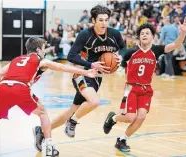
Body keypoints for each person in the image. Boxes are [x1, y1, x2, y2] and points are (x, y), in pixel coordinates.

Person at [33, 5, 126, 152]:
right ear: (93, 20)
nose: (104, 23)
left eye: (106, 20)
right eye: (100, 20)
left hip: (96, 77)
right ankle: (73, 121)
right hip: (82, 73)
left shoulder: (114, 34)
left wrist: (120, 57)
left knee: (72, 110)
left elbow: (123, 48)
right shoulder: (85, 35)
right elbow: (71, 56)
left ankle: (42, 131)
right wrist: (91, 64)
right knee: (94, 101)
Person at [0, 37, 98, 156]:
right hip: (21, 88)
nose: (45, 52)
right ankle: (49, 149)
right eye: (44, 49)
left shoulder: (16, 59)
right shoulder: (40, 60)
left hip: (3, 87)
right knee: (43, 113)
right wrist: (85, 72)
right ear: (38, 49)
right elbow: (63, 67)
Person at [103, 17, 186, 152]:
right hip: (131, 88)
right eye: (142, 33)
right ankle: (112, 118)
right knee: (130, 117)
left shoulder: (156, 50)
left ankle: (122, 140)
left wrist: (183, 33)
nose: (144, 35)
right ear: (139, 38)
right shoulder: (131, 52)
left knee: (141, 116)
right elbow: (118, 60)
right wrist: (113, 62)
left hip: (146, 89)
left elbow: (175, 45)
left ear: (153, 37)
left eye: (147, 33)